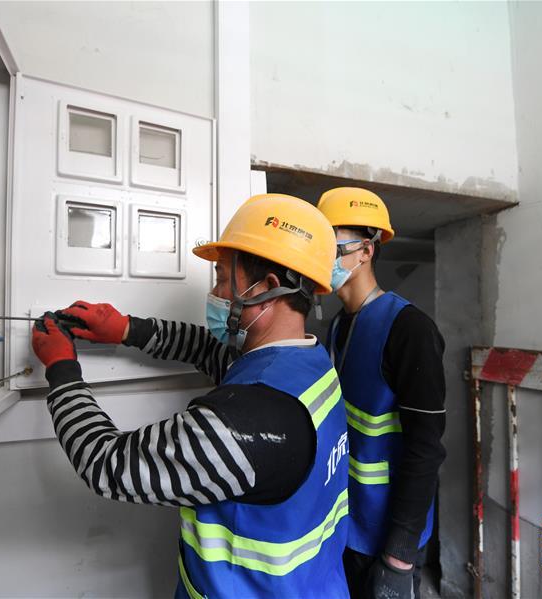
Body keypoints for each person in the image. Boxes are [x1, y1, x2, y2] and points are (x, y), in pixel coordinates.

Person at [31, 194, 351, 598]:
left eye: (221, 278)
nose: (215, 292)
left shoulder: (241, 423)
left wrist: (61, 369)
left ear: (267, 288)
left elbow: (107, 463)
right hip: (316, 585)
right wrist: (127, 329)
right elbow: (210, 351)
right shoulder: (310, 364)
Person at [317, 187, 447, 599]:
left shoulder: (409, 329)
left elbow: (426, 447)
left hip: (389, 535)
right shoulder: (339, 326)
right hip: (348, 526)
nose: (322, 258)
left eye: (333, 247)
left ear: (366, 251)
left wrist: (400, 554)